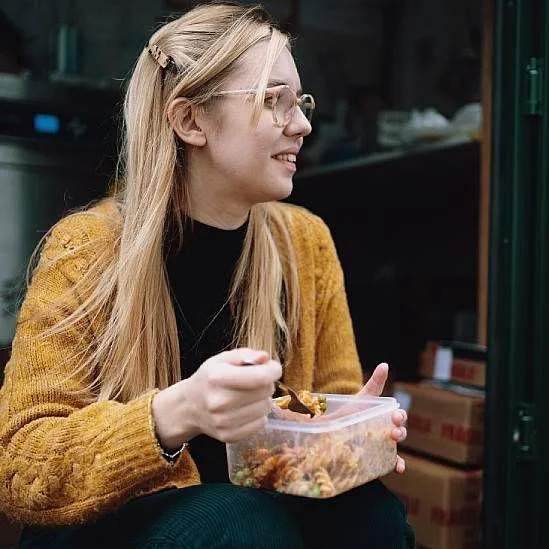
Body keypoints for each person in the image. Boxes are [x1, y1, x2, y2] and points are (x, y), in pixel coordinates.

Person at [0, 3, 414, 548]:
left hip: (258, 518)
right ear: (191, 120)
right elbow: (22, 468)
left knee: (372, 516)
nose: (303, 124)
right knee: (237, 520)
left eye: (301, 101)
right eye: (275, 101)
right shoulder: (86, 249)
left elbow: (331, 411)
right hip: (121, 529)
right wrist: (178, 412)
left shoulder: (305, 243)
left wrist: (349, 433)